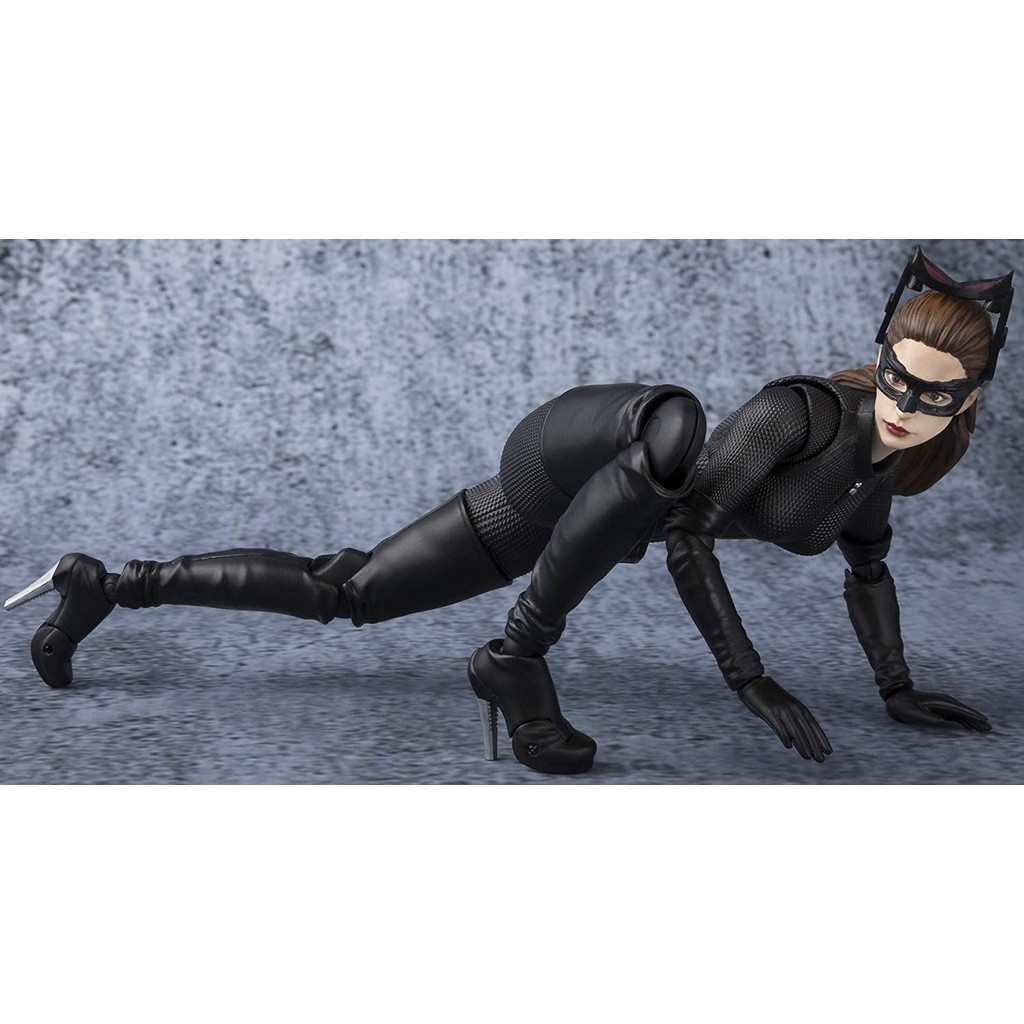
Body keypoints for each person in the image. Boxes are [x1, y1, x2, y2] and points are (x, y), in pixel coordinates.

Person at [5, 248, 1014, 777]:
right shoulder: (800, 413)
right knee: (675, 437)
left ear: (969, 398)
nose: (904, 402)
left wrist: (895, 688)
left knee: (349, 592)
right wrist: (749, 678)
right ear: (879, 355)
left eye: (934, 394)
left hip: (595, 512)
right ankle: (517, 660)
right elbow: (689, 532)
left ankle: (105, 585)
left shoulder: (881, 470)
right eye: (896, 375)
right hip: (594, 448)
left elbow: (868, 567)